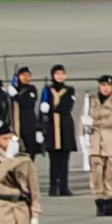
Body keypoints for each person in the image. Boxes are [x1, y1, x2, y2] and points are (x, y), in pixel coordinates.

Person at [37, 66, 79, 199]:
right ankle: (53, 186)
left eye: (62, 73)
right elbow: (41, 111)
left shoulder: (70, 90)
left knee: (64, 160)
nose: (60, 76)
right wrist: (39, 127)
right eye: (57, 73)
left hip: (65, 127)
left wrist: (51, 108)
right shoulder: (47, 90)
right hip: (51, 128)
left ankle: (64, 186)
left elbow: (67, 106)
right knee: (53, 161)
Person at [85, 75, 112, 215]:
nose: (105, 88)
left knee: (111, 174)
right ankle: (100, 204)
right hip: (95, 142)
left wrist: (94, 122)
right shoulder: (90, 101)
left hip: (111, 142)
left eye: (108, 85)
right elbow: (83, 120)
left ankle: (110, 204)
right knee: (96, 174)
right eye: (103, 85)